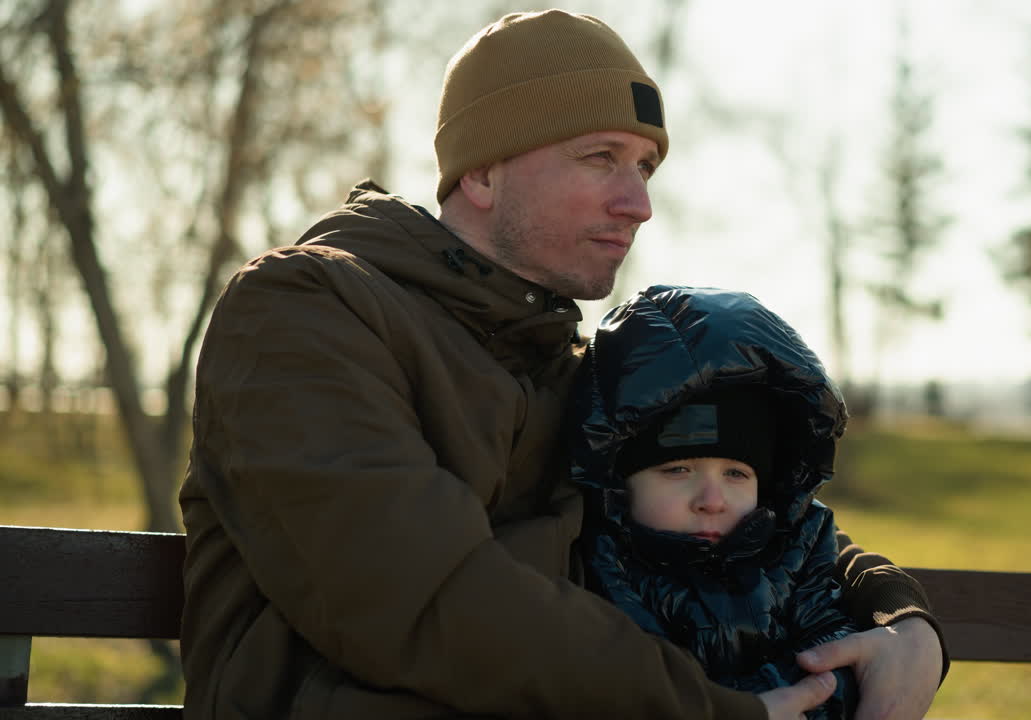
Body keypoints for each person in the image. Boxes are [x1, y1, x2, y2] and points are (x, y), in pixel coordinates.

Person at [178, 9, 946, 720]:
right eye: (601, 158)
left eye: (646, 166)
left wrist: (902, 619)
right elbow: (419, 600)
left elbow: (775, 523)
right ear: (480, 173)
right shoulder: (306, 313)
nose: (637, 203)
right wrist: (716, 712)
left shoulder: (575, 367)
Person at [569, 285, 870, 719]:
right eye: (677, 470)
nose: (712, 501)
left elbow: (832, 659)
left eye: (736, 474)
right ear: (619, 484)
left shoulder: (797, 552)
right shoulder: (598, 566)